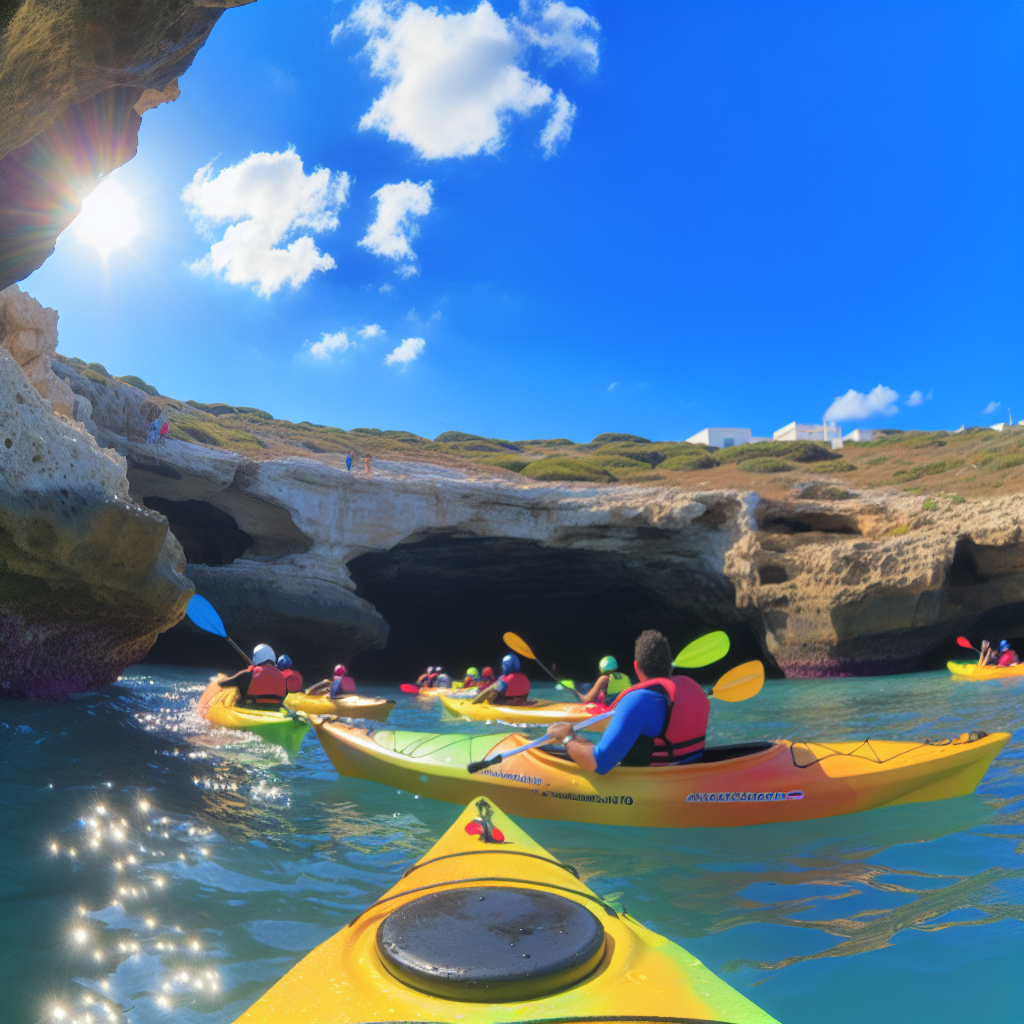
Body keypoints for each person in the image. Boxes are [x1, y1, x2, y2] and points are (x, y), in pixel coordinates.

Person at [542, 630, 709, 775]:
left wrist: (567, 738)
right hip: (691, 777)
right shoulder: (695, 689)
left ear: (636, 667)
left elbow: (597, 763)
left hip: (653, 788)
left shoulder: (637, 701)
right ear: (668, 666)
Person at [217, 644, 288, 709]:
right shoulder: (283, 678)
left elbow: (222, 684)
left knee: (237, 694)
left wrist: (219, 680)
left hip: (250, 710)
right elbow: (284, 696)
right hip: (274, 711)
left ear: (256, 658)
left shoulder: (248, 675)